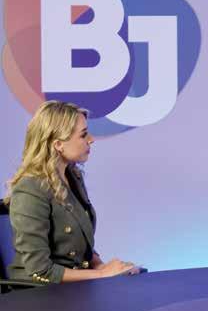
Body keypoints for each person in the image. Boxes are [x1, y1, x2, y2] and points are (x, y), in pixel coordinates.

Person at [4, 100, 139, 284]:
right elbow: (40, 270)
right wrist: (102, 275)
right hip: (39, 292)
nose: (91, 139)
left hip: (72, 288)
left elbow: (80, 241)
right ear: (58, 144)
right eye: (83, 135)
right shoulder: (30, 189)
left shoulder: (73, 176)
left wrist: (101, 266)